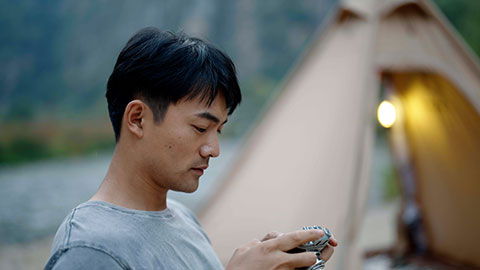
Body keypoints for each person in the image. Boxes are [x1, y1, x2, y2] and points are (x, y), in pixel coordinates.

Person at [45, 27, 337, 270]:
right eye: (200, 128)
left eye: (218, 130)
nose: (213, 149)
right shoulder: (90, 249)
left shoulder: (183, 218)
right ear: (137, 119)